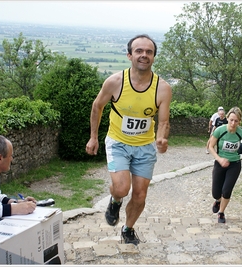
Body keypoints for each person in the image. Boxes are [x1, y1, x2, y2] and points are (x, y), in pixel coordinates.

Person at [85, 34, 172, 245]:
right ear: (129, 55)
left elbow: (163, 122)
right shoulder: (115, 82)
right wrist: (93, 137)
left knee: (140, 195)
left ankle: (128, 229)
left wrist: (161, 139)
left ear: (153, 57)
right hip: (118, 143)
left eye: (149, 52)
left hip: (144, 147)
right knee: (122, 188)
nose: (144, 55)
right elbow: (97, 106)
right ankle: (115, 201)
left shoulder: (163, 88)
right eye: (139, 51)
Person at [208, 107, 242, 223]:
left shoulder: (241, 133)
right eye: (231, 120)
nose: (233, 123)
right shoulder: (220, 130)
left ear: (239, 121)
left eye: (236, 121)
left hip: (234, 164)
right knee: (216, 192)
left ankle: (221, 212)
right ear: (227, 119)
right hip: (220, 163)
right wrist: (219, 159)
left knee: (227, 190)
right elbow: (210, 146)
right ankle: (218, 200)